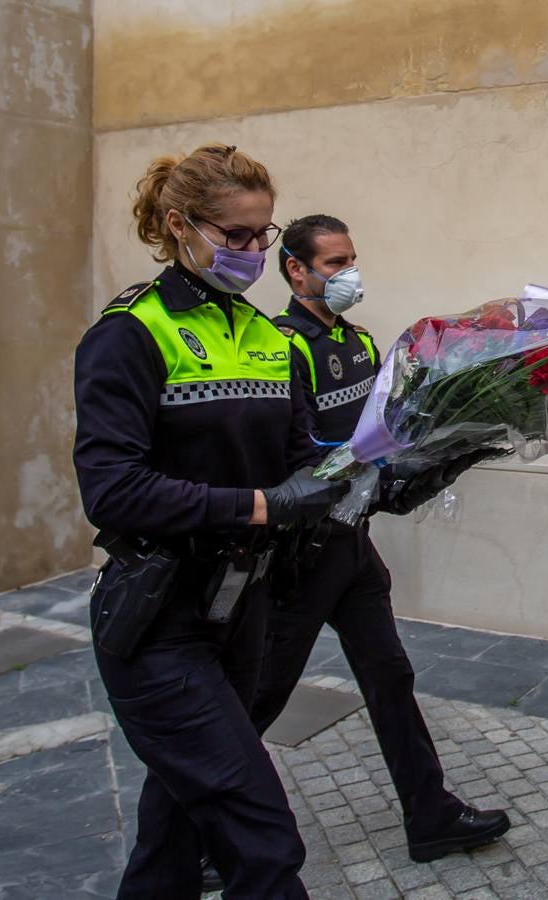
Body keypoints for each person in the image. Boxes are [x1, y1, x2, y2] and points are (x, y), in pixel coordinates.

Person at [73, 146, 350, 898]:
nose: (256, 252)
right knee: (262, 838)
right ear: (178, 225)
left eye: (264, 235)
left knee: (176, 830)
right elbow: (113, 489)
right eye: (237, 236)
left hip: (243, 609)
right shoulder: (130, 333)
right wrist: (261, 506)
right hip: (159, 619)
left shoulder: (274, 340)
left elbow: (301, 464)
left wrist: (391, 465)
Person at [259, 214, 512, 862]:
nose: (349, 274)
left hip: (353, 549)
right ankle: (200, 831)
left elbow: (386, 438)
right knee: (259, 698)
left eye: (351, 259)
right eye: (335, 264)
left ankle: (430, 815)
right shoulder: (281, 348)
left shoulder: (366, 345)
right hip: (303, 557)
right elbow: (299, 458)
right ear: (296, 269)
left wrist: (456, 439)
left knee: (390, 675)